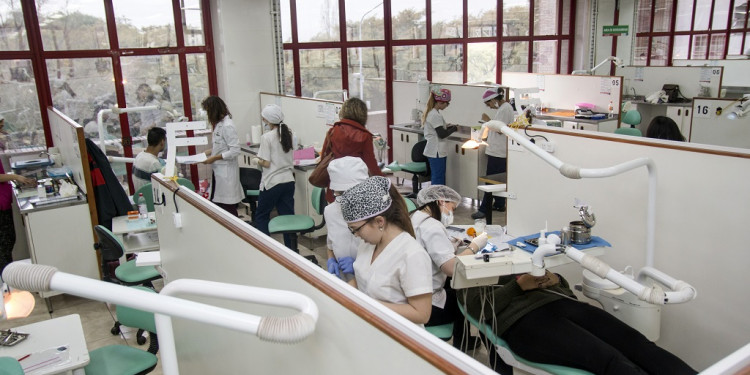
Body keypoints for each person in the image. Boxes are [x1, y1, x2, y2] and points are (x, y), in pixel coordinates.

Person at [458, 271, 697, 374]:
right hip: (525, 322)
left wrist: (554, 279)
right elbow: (479, 310)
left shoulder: (518, 258)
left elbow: (567, 292)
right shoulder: (464, 275)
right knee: (609, 359)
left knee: (638, 344)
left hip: (563, 305)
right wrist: (518, 286)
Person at [338, 176, 433, 325]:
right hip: (369, 325)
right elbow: (363, 278)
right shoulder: (368, 244)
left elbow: (421, 314)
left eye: (356, 230)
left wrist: (367, 305)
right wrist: (339, 291)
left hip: (400, 336)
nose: (356, 235)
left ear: (379, 221)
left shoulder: (412, 255)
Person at [411, 184, 488, 350]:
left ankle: (464, 340)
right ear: (441, 201)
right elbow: (452, 268)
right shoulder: (432, 226)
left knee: (455, 287)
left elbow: (426, 251)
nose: (450, 214)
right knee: (470, 296)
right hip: (427, 307)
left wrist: (449, 246)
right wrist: (474, 246)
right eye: (451, 209)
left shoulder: (414, 217)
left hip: (411, 293)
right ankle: (464, 344)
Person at [319, 97, 383, 203]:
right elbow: (370, 164)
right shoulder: (365, 136)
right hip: (358, 190)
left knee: (334, 216)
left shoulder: (332, 131)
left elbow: (324, 159)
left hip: (336, 187)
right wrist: (383, 181)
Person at [252, 104, 296, 249]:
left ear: (268, 120)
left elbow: (265, 163)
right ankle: (292, 250)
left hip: (272, 183)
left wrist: (257, 160)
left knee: (261, 216)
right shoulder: (288, 134)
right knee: (288, 219)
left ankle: (266, 249)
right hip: (288, 181)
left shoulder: (267, 137)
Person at [324, 156, 369, 281]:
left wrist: (359, 266)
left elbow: (387, 259)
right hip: (344, 279)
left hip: (371, 282)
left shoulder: (376, 215)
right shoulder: (330, 211)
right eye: (341, 194)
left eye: (352, 193)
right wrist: (331, 258)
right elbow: (330, 245)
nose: (348, 200)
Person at [472, 87, 514, 220]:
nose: (489, 106)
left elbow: (500, 129)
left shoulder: (505, 108)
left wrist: (487, 121)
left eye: (489, 103)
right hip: (497, 150)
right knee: (497, 180)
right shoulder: (503, 109)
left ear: (494, 99)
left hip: (498, 152)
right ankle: (500, 204)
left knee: (490, 181)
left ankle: (484, 209)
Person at [200, 96, 244, 216]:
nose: (208, 115)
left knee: (227, 207)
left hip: (226, 172)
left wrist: (214, 158)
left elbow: (235, 150)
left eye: (208, 111)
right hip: (219, 171)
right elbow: (219, 146)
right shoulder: (220, 125)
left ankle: (235, 232)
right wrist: (205, 154)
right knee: (219, 205)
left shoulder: (227, 126)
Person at [0, 118, 34, 274]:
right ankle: (5, 283)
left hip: (4, 201)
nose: (3, 127)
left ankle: (7, 280)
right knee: (4, 246)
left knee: (8, 243)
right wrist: (15, 177)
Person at [422, 88, 458, 185]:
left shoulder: (434, 113)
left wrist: (446, 126)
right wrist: (454, 129)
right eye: (447, 103)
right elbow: (442, 134)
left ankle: (437, 199)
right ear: (440, 102)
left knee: (438, 176)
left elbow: (438, 129)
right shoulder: (434, 115)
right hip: (436, 151)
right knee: (438, 178)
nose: (447, 106)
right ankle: (437, 199)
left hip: (436, 151)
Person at [131, 127, 166, 191]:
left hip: (140, 196)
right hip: (149, 198)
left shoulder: (139, 156)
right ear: (162, 142)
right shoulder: (154, 163)